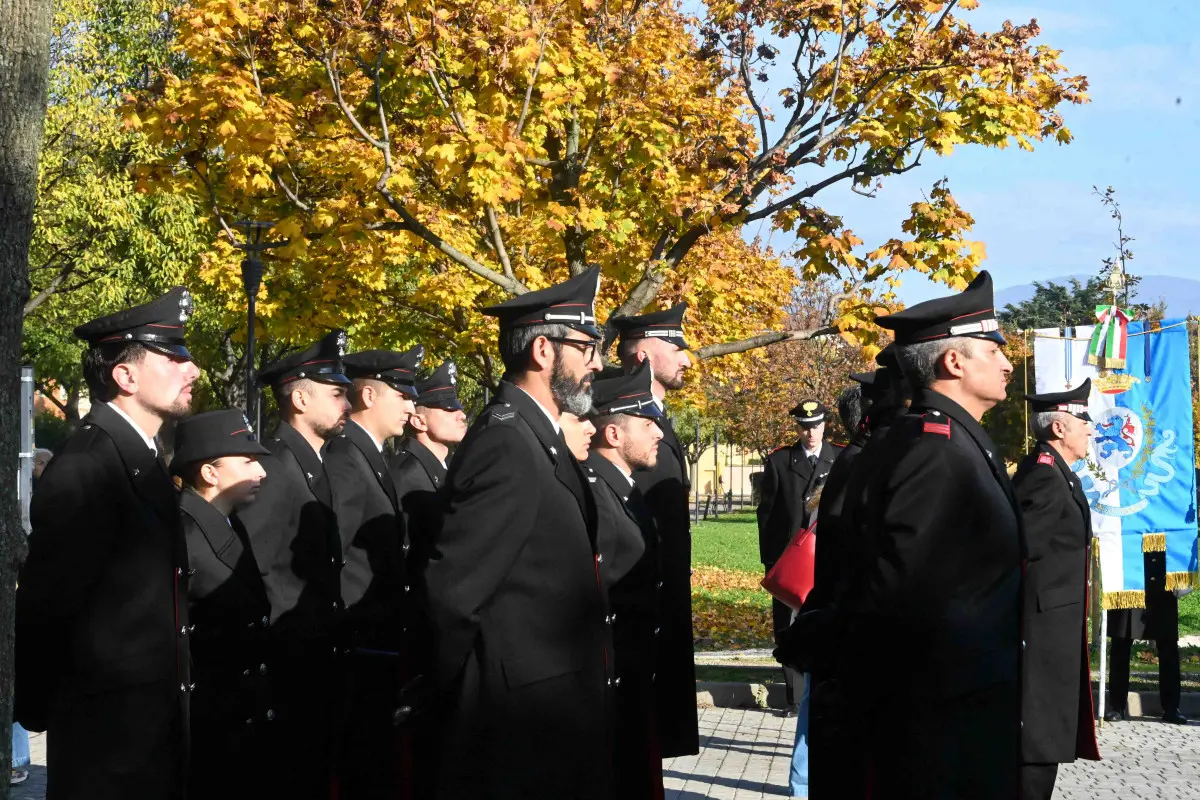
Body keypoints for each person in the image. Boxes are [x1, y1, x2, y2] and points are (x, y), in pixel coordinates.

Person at [425, 266, 612, 800]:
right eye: (586, 346)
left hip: (549, 713)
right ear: (543, 352)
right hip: (519, 723)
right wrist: (460, 700)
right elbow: (454, 592)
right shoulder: (507, 441)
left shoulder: (537, 434)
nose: (597, 362)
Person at [841, 271, 1023, 798]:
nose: (1008, 362)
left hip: (962, 708)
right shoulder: (934, 450)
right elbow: (907, 597)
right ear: (954, 361)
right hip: (943, 721)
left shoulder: (954, 440)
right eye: (994, 349)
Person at [16, 287, 200, 798]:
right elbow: (49, 604)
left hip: (146, 733)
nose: (193, 370)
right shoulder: (89, 465)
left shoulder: (136, 456)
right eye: (174, 356)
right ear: (125, 375)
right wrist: (42, 707)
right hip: (109, 744)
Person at [238, 329, 352, 799]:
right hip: (287, 671)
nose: (347, 404)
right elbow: (255, 573)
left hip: (311, 665)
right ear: (300, 398)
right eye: (337, 393)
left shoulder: (310, 463)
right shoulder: (275, 467)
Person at [325, 346, 424, 798]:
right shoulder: (347, 458)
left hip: (378, 644)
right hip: (360, 648)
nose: (411, 405)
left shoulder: (371, 455)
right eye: (402, 394)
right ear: (368, 394)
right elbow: (335, 558)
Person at [610, 301, 699, 758]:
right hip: (638, 611)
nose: (688, 358)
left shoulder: (659, 422)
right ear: (642, 355)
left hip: (662, 603)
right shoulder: (617, 423)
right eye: (676, 346)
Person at [170, 408, 273, 798]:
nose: (261, 472)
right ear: (209, 473)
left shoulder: (230, 522)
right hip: (210, 726)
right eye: (247, 462)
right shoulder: (183, 534)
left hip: (236, 720)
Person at [1013, 379, 1101, 800]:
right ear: (1059, 428)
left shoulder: (1060, 475)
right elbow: (1016, 555)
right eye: (1084, 419)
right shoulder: (1044, 478)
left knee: (1047, 742)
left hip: (1054, 632)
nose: (1091, 428)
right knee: (1037, 746)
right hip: (1040, 635)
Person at [585, 362, 666, 799]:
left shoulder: (626, 491)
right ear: (613, 434)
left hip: (633, 676)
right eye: (646, 422)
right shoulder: (596, 494)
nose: (659, 432)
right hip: (612, 685)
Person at [757, 399, 842, 652]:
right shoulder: (780, 461)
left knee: (826, 628)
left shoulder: (840, 457)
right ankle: (791, 687)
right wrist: (772, 562)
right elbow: (767, 516)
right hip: (790, 557)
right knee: (787, 628)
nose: (811, 432)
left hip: (827, 556)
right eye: (805, 427)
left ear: (825, 425)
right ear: (797, 428)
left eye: (816, 425)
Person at [391, 359, 469, 576]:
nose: (461, 415)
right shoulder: (406, 474)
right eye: (448, 408)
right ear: (418, 422)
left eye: (459, 407)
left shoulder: (448, 468)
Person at [1106, 551, 1189, 724]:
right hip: (1129, 564)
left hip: (1162, 566)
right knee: (1121, 640)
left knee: (1168, 644)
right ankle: (1116, 706)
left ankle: (1172, 707)